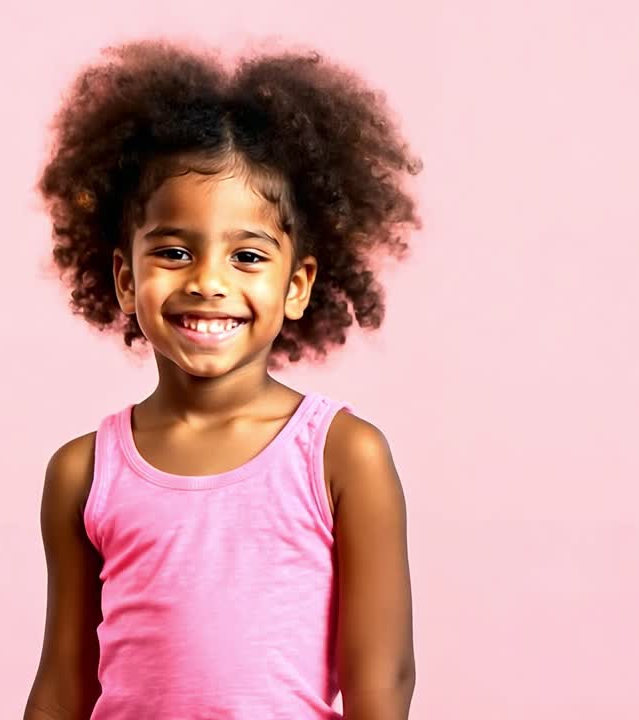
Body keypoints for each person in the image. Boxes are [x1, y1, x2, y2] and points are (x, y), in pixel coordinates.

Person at [23, 37, 422, 720]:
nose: (208, 281)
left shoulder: (343, 456)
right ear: (126, 278)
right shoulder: (83, 474)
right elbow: (63, 682)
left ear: (297, 285)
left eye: (246, 255)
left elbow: (383, 679)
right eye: (174, 251)